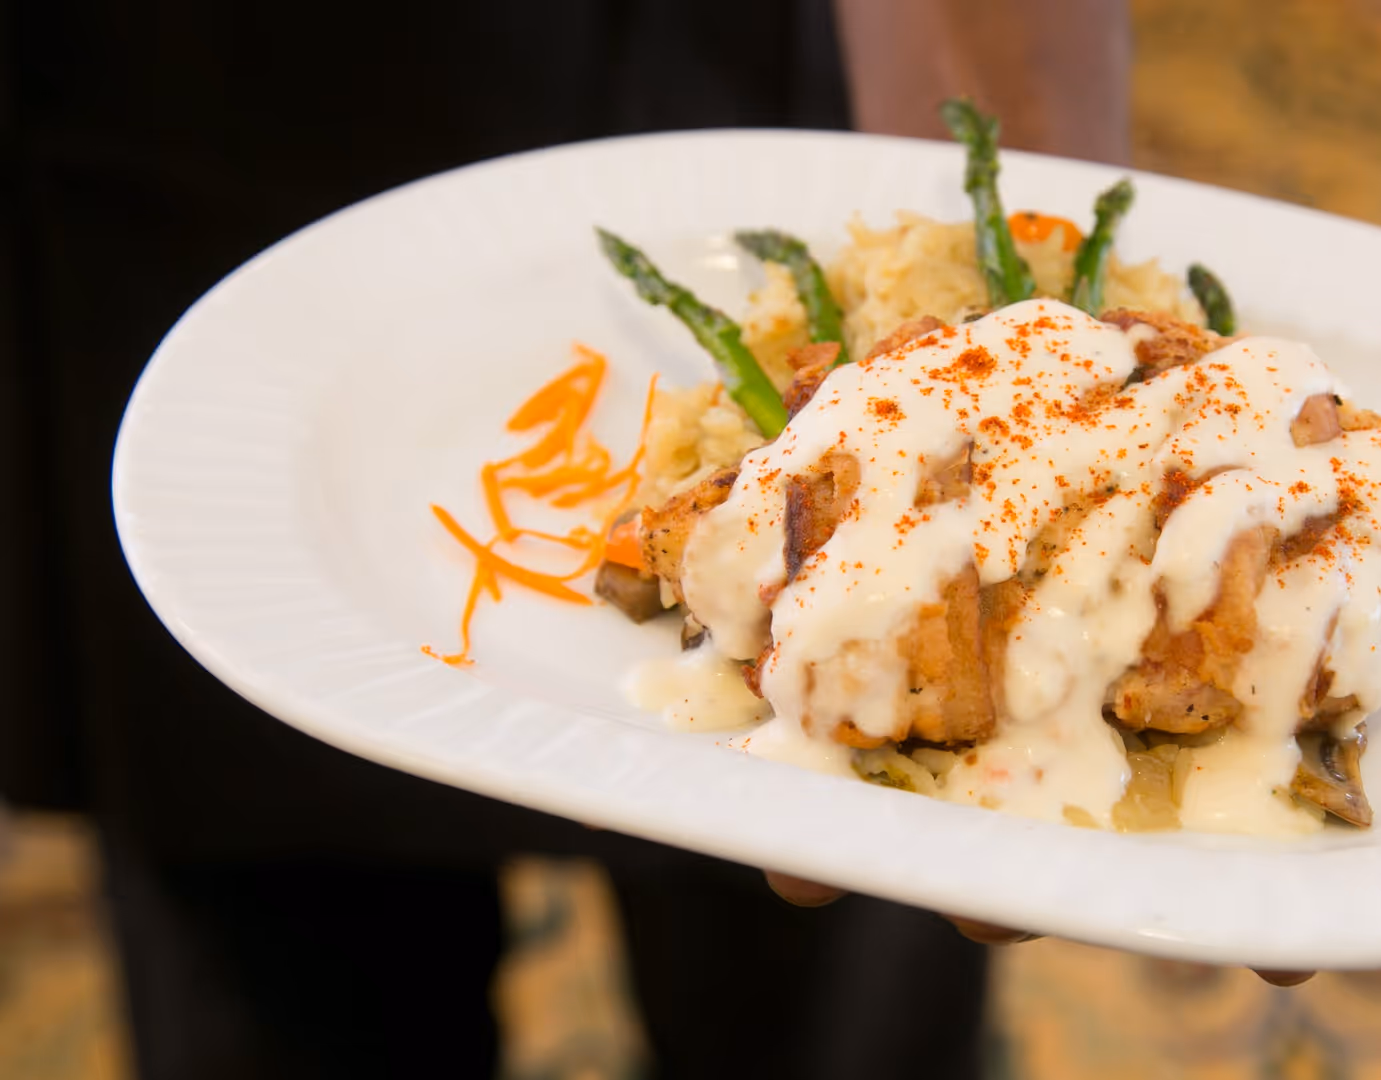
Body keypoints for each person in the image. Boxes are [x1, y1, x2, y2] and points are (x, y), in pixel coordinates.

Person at [2, 2, 1301, 1077]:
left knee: (833, 992)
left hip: (737, 75)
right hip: (163, 134)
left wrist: (1021, 266)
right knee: (276, 972)